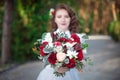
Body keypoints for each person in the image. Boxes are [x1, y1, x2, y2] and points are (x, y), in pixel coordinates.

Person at [36, 3, 87, 80]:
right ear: (55, 19)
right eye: (59, 17)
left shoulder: (78, 38)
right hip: (51, 74)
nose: (63, 19)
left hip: (70, 75)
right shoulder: (48, 37)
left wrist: (71, 65)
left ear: (70, 18)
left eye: (66, 16)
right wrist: (56, 66)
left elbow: (82, 61)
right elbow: (44, 60)